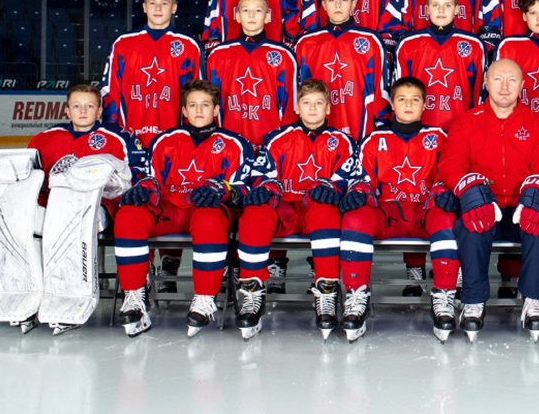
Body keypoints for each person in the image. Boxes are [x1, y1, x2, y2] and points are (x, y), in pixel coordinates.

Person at [114, 80, 253, 338]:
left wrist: (221, 190)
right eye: (192, 105)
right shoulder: (165, 141)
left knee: (208, 218)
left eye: (205, 104)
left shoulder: (235, 143)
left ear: (216, 110)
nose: (199, 110)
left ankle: (204, 298)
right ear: (184, 111)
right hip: (170, 208)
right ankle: (134, 296)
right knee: (129, 214)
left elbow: (244, 189)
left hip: (206, 212)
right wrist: (144, 187)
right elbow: (151, 177)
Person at [437, 59, 539, 342]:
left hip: (520, 207)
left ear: (522, 85)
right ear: (486, 83)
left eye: (512, 80)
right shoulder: (466, 121)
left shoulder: (537, 122)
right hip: (485, 204)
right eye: (498, 79)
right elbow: (451, 164)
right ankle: (473, 300)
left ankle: (534, 300)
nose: (505, 87)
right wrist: (470, 189)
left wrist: (536, 194)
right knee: (470, 225)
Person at [338, 76, 461, 342]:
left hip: (423, 211)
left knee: (446, 218)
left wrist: (442, 193)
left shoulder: (438, 137)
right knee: (355, 217)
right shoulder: (374, 138)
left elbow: (446, 174)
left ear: (425, 104)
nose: (408, 104)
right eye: (402, 99)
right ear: (392, 104)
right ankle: (356, 295)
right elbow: (363, 178)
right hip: (388, 213)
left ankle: (444, 297)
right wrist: (358, 193)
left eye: (415, 99)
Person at [239, 79, 355, 340]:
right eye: (306, 103)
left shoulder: (343, 141)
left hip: (318, 213)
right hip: (287, 209)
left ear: (328, 109)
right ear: (296, 107)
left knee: (324, 209)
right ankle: (252, 291)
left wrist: (334, 189)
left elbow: (348, 177)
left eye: (318, 103)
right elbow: (263, 175)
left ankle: (326, 292)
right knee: (255, 213)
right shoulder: (277, 138)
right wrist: (266, 188)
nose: (312, 108)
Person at [28, 83, 145, 243]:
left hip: (99, 203)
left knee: (85, 221)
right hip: (53, 202)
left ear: (99, 111)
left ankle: (81, 266)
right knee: (30, 219)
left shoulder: (119, 138)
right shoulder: (44, 139)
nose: (83, 111)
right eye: (76, 106)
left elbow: (137, 174)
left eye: (89, 106)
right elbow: (28, 176)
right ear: (67, 111)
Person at [101, 0, 202, 148]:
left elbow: (199, 94)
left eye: (164, 3)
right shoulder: (123, 44)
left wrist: (193, 135)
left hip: (175, 140)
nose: (158, 8)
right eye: (152, 3)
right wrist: (112, 132)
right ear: (144, 7)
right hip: (130, 138)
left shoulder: (189, 46)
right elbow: (111, 91)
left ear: (174, 8)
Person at [294, 0, 390, 142]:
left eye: (344, 0)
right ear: (323, 5)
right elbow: (296, 89)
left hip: (359, 126)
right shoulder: (306, 43)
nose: (338, 6)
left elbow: (381, 90)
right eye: (332, 0)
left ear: (353, 4)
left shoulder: (371, 41)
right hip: (315, 131)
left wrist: (381, 126)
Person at [204, 0, 298, 147]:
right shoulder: (219, 54)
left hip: (270, 142)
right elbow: (209, 101)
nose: (252, 15)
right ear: (238, 16)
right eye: (246, 10)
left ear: (267, 17)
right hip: (228, 141)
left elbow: (290, 107)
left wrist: (285, 143)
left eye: (258, 10)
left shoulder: (283, 55)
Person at [394, 0, 486, 131]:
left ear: (456, 9)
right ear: (427, 8)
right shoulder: (408, 44)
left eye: (447, 5)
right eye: (435, 5)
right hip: (419, 131)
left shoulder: (474, 45)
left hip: (460, 129)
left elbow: (479, 92)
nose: (441, 10)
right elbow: (399, 91)